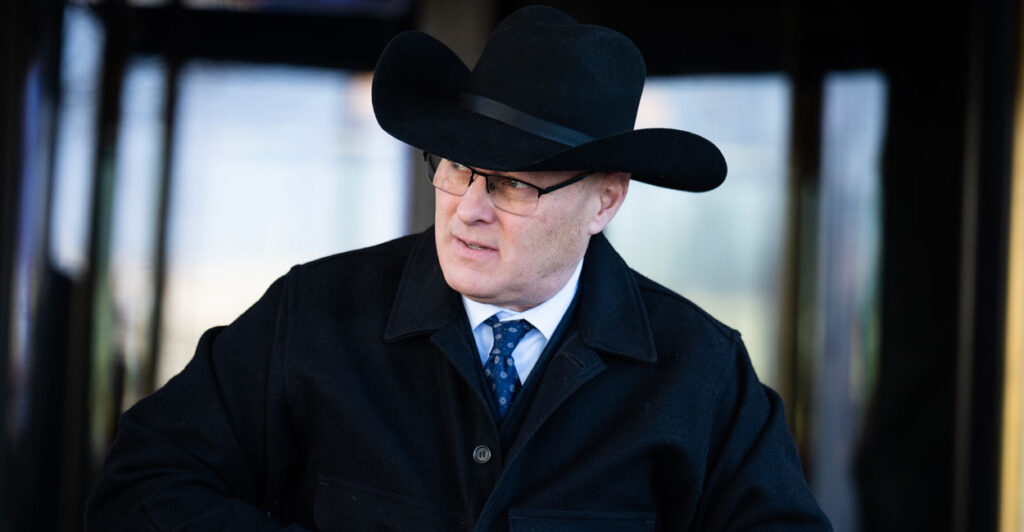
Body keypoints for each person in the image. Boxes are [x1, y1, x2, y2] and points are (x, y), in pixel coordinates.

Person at [85, 5, 830, 531]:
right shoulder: (311, 315)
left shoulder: (701, 372)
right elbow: (142, 490)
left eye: (510, 183)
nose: (467, 207)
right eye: (456, 166)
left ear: (605, 201)